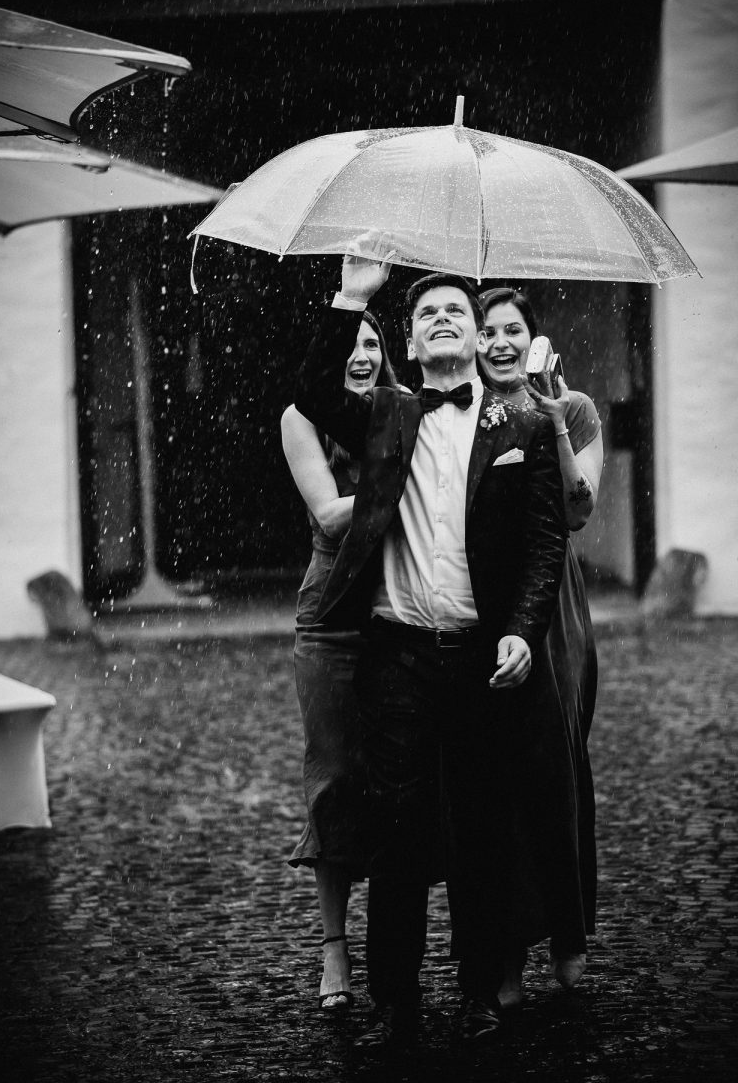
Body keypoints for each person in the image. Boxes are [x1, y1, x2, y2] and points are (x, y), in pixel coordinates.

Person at [294, 231, 568, 1050]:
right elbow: (312, 391)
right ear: (410, 345)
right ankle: (396, 1004)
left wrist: (522, 632)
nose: (443, 319)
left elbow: (544, 544)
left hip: (483, 659)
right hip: (398, 654)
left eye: (456, 310)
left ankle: (481, 991)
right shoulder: (387, 412)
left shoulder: (522, 422)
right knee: (398, 833)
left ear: (479, 336)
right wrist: (352, 297)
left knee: (482, 826)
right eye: (427, 315)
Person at [477, 287, 603, 1006]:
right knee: (495, 776)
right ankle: (506, 952)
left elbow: (579, 510)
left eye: (513, 330)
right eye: (488, 330)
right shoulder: (466, 416)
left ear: (534, 340)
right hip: (484, 597)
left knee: (557, 763)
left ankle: (567, 930)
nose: (499, 343)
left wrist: (552, 422)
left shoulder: (574, 408)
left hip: (555, 604)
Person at [282, 312, 399, 1012]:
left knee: (400, 783)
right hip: (330, 619)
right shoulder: (301, 418)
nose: (361, 355)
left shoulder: (401, 410)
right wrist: (407, 479)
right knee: (334, 781)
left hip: (398, 610)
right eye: (350, 344)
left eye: (372, 344)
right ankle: (334, 947)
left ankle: (398, 946)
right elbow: (330, 516)